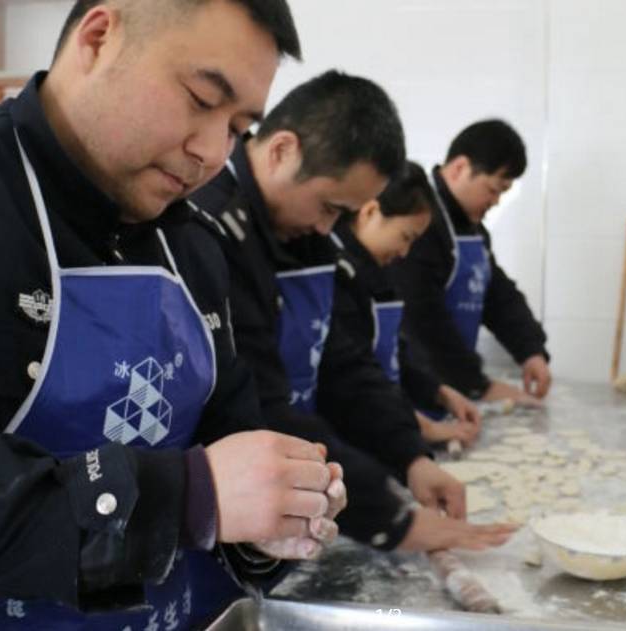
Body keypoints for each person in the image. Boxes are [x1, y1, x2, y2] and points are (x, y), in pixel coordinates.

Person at [0, 1, 346, 628]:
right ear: (98, 38)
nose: (212, 153)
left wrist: (271, 516)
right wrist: (190, 496)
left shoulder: (193, 246)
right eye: (200, 99)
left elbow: (230, 434)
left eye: (237, 127)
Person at [191, 72, 516, 553]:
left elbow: (342, 364)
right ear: (282, 151)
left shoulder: (309, 232)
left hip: (298, 487)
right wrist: (391, 519)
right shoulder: (211, 230)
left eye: (341, 213)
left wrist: (410, 457)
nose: (329, 226)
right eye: (327, 206)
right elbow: (261, 405)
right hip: (224, 512)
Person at [394, 119, 552, 404]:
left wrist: (531, 351)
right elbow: (423, 320)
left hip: (457, 389)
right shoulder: (422, 220)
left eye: (503, 193)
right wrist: (478, 385)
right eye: (493, 190)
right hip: (421, 391)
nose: (496, 201)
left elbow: (497, 295)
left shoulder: (472, 227)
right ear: (459, 169)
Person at [331, 161, 481, 446]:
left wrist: (440, 392)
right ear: (371, 211)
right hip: (353, 436)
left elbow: (393, 351)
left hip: (387, 426)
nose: (405, 251)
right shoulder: (337, 274)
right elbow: (354, 380)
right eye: (405, 237)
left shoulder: (381, 269)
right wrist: (421, 427)